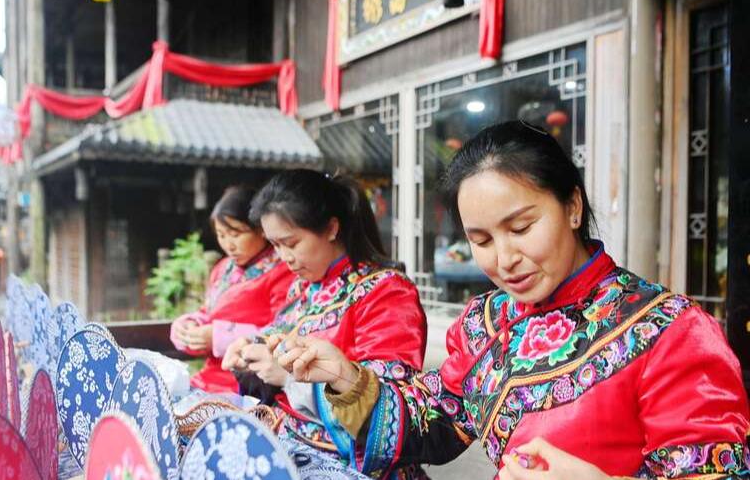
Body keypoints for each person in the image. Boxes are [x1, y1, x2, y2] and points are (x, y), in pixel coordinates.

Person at [277, 121, 750, 479]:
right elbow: (434, 422)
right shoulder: (484, 322)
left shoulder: (669, 329)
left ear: (572, 207)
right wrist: (345, 377)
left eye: (521, 228)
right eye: (481, 240)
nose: (504, 260)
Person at [221, 169, 427, 473]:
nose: (284, 257)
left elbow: (393, 408)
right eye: (275, 245)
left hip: (346, 466)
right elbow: (276, 336)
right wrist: (249, 351)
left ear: (331, 228)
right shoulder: (303, 288)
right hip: (288, 444)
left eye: (291, 243)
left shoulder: (386, 292)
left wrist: (288, 378)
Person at [170, 186, 295, 393]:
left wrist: (218, 337)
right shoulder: (223, 268)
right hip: (209, 378)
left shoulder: (284, 271)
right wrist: (189, 327)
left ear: (261, 230)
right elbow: (207, 311)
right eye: (221, 235)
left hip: (247, 384)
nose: (228, 245)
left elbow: (284, 329)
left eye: (236, 234)